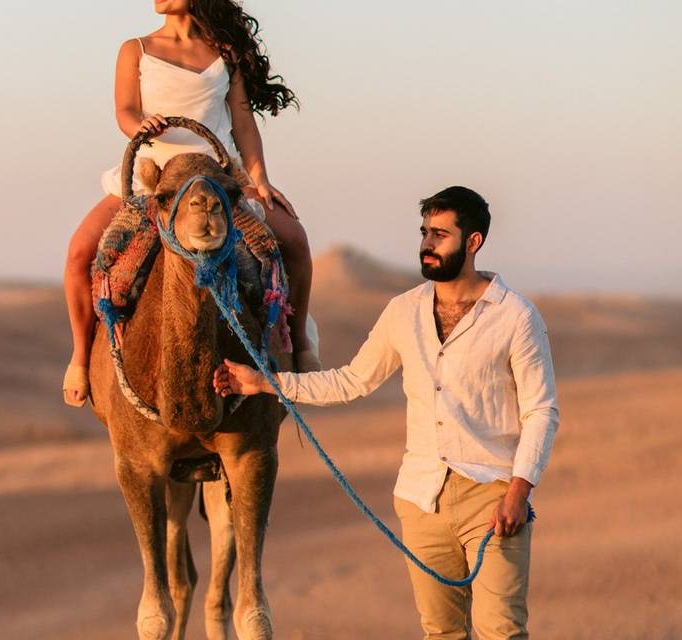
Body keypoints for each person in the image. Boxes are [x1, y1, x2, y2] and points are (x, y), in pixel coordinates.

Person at [213, 186, 560, 639]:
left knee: (502, 631)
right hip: (421, 499)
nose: (427, 244)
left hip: (492, 497)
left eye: (440, 234)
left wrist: (519, 491)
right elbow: (352, 380)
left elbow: (541, 411)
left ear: (473, 242)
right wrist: (263, 383)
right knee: (441, 633)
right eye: (423, 233)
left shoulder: (516, 317)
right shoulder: (404, 311)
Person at [63, 0, 319, 407]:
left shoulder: (225, 53)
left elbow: (243, 123)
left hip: (215, 181)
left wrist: (260, 181)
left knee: (296, 241)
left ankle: (300, 343)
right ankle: (80, 357)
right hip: (153, 179)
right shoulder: (136, 49)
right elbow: (125, 110)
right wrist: (138, 126)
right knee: (79, 252)